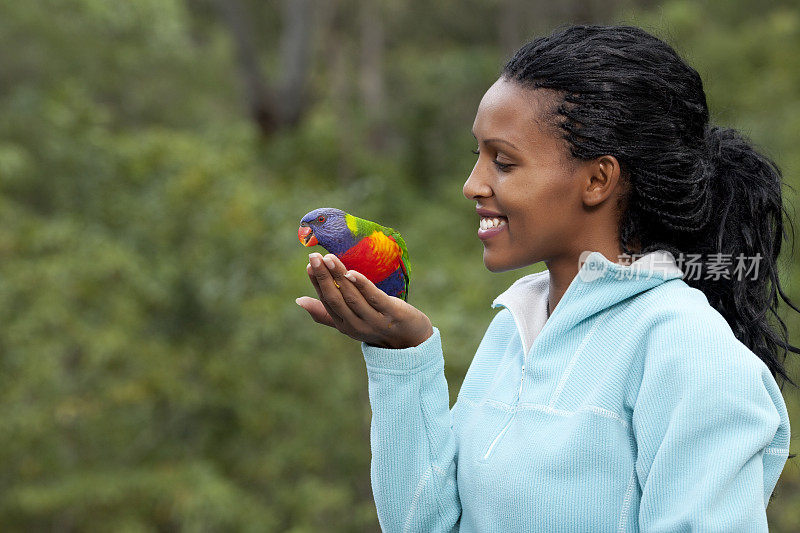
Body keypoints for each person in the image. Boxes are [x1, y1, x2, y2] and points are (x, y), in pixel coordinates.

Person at [295, 24, 798, 532]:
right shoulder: (513, 330)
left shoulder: (688, 349)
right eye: (478, 157)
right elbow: (424, 525)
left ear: (598, 179)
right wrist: (403, 356)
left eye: (504, 162)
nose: (473, 185)